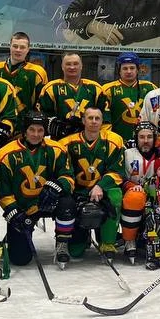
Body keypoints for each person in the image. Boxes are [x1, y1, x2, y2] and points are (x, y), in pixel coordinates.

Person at [52, 105, 128, 265]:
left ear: (102, 121)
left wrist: (100, 186)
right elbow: (64, 172)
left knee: (115, 194)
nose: (94, 121)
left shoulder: (114, 140)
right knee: (76, 251)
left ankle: (107, 242)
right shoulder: (67, 143)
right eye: (90, 118)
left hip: (101, 191)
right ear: (83, 120)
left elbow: (117, 171)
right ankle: (81, 236)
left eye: (97, 118)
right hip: (77, 193)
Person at [0, 110, 73, 268]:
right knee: (20, 259)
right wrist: (13, 211)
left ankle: (62, 242)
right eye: (32, 129)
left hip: (49, 202)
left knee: (68, 203)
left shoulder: (57, 149)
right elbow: (3, 190)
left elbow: (69, 178)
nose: (36, 134)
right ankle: (18, 235)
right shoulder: (5, 153)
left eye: (40, 130)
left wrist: (56, 187)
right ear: (24, 131)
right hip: (22, 208)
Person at [37, 52, 104, 140]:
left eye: (75, 64)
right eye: (68, 64)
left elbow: (105, 118)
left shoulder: (95, 88)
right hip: (60, 141)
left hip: (88, 141)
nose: (72, 67)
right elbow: (42, 117)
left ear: (81, 66)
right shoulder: (50, 88)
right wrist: (56, 125)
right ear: (62, 66)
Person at [100, 51, 157, 144]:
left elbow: (157, 114)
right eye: (125, 68)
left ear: (137, 70)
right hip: (117, 142)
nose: (129, 71)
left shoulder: (150, 88)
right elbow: (105, 119)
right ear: (119, 70)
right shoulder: (107, 89)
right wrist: (108, 139)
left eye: (132, 68)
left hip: (144, 142)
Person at [0, 32, 48, 113]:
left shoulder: (37, 72)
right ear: (10, 47)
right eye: (15, 46)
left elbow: (41, 103)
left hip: (25, 119)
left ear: (28, 49)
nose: (18, 50)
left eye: (22, 47)